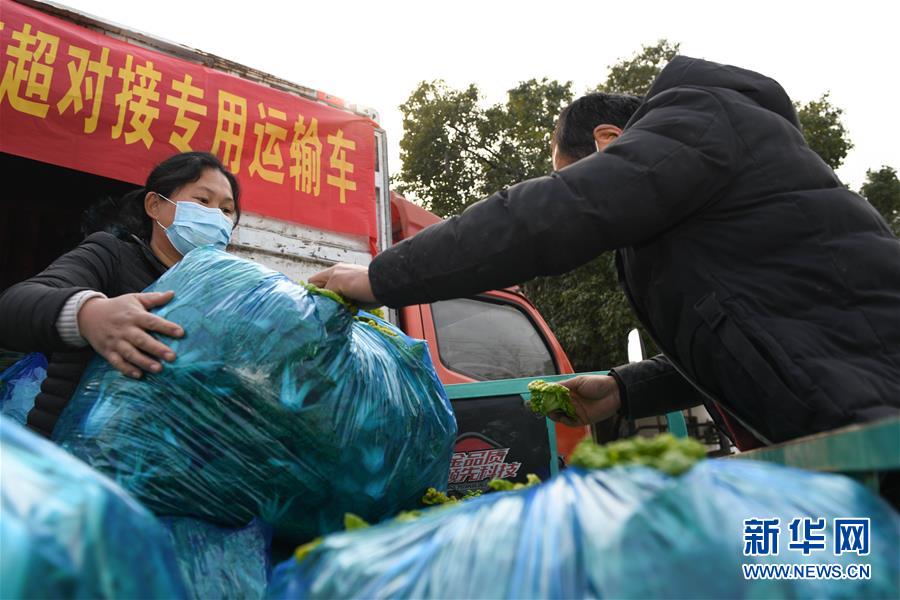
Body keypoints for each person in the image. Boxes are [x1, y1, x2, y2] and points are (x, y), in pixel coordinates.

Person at [310, 56, 900, 449]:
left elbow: (548, 215)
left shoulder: (699, 120)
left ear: (609, 142)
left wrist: (378, 279)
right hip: (850, 427)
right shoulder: (707, 186)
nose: (572, 186)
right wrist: (624, 388)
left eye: (569, 172)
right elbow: (760, 333)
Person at [0, 151, 240, 437]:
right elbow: (13, 307)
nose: (215, 216)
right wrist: (88, 314)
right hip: (64, 459)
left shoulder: (223, 293)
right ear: (154, 205)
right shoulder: (111, 255)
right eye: (203, 201)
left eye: (226, 210)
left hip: (149, 467)